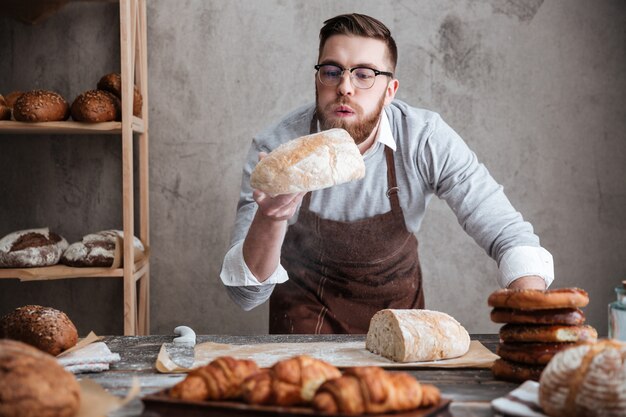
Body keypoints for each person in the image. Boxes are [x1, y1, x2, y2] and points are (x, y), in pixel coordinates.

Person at [220, 13, 553, 334]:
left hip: (400, 331)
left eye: (364, 74)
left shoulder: (424, 138)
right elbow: (246, 295)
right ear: (317, 78)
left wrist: (532, 321)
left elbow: (507, 234)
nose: (345, 87)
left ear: (390, 91)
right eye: (332, 71)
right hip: (304, 338)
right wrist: (271, 218)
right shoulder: (277, 151)